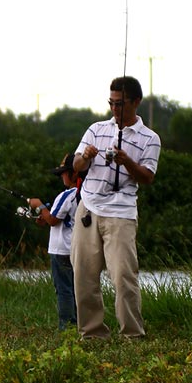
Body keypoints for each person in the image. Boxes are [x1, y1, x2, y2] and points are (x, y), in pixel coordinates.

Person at [70, 76, 161, 339]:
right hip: (88, 209)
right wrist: (84, 157)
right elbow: (76, 165)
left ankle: (132, 335)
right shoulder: (96, 129)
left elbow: (148, 177)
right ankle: (92, 334)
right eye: (111, 103)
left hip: (121, 214)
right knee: (83, 276)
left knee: (123, 277)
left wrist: (127, 162)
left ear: (136, 102)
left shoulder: (150, 138)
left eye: (120, 104)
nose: (114, 109)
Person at [29, 152, 80, 330]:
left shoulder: (67, 195)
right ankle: (78, 324)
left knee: (64, 290)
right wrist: (44, 216)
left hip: (61, 251)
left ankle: (66, 327)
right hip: (75, 250)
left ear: (75, 173)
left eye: (64, 172)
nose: (61, 176)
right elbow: (55, 219)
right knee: (75, 290)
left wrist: (38, 205)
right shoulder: (84, 195)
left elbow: (52, 220)